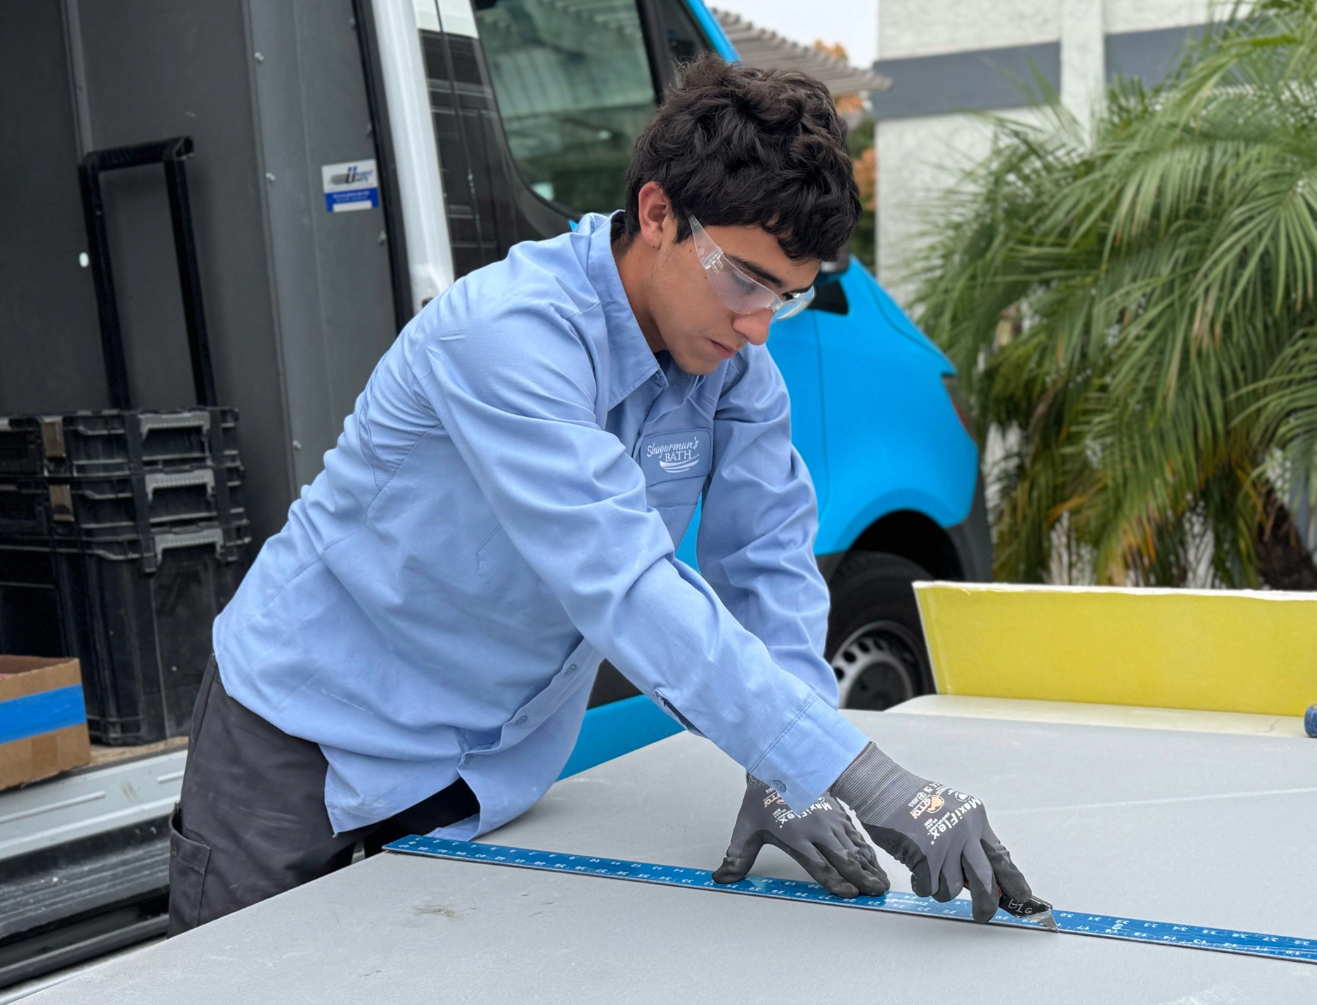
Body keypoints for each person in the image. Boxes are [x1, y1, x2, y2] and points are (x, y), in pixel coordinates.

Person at [168, 56, 1038, 933]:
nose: (756, 325)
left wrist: (792, 772)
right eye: (743, 279)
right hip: (299, 737)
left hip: (474, 770)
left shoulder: (735, 371)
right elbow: (625, 585)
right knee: (230, 998)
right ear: (658, 213)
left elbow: (768, 565)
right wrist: (877, 783)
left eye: (786, 295)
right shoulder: (507, 336)